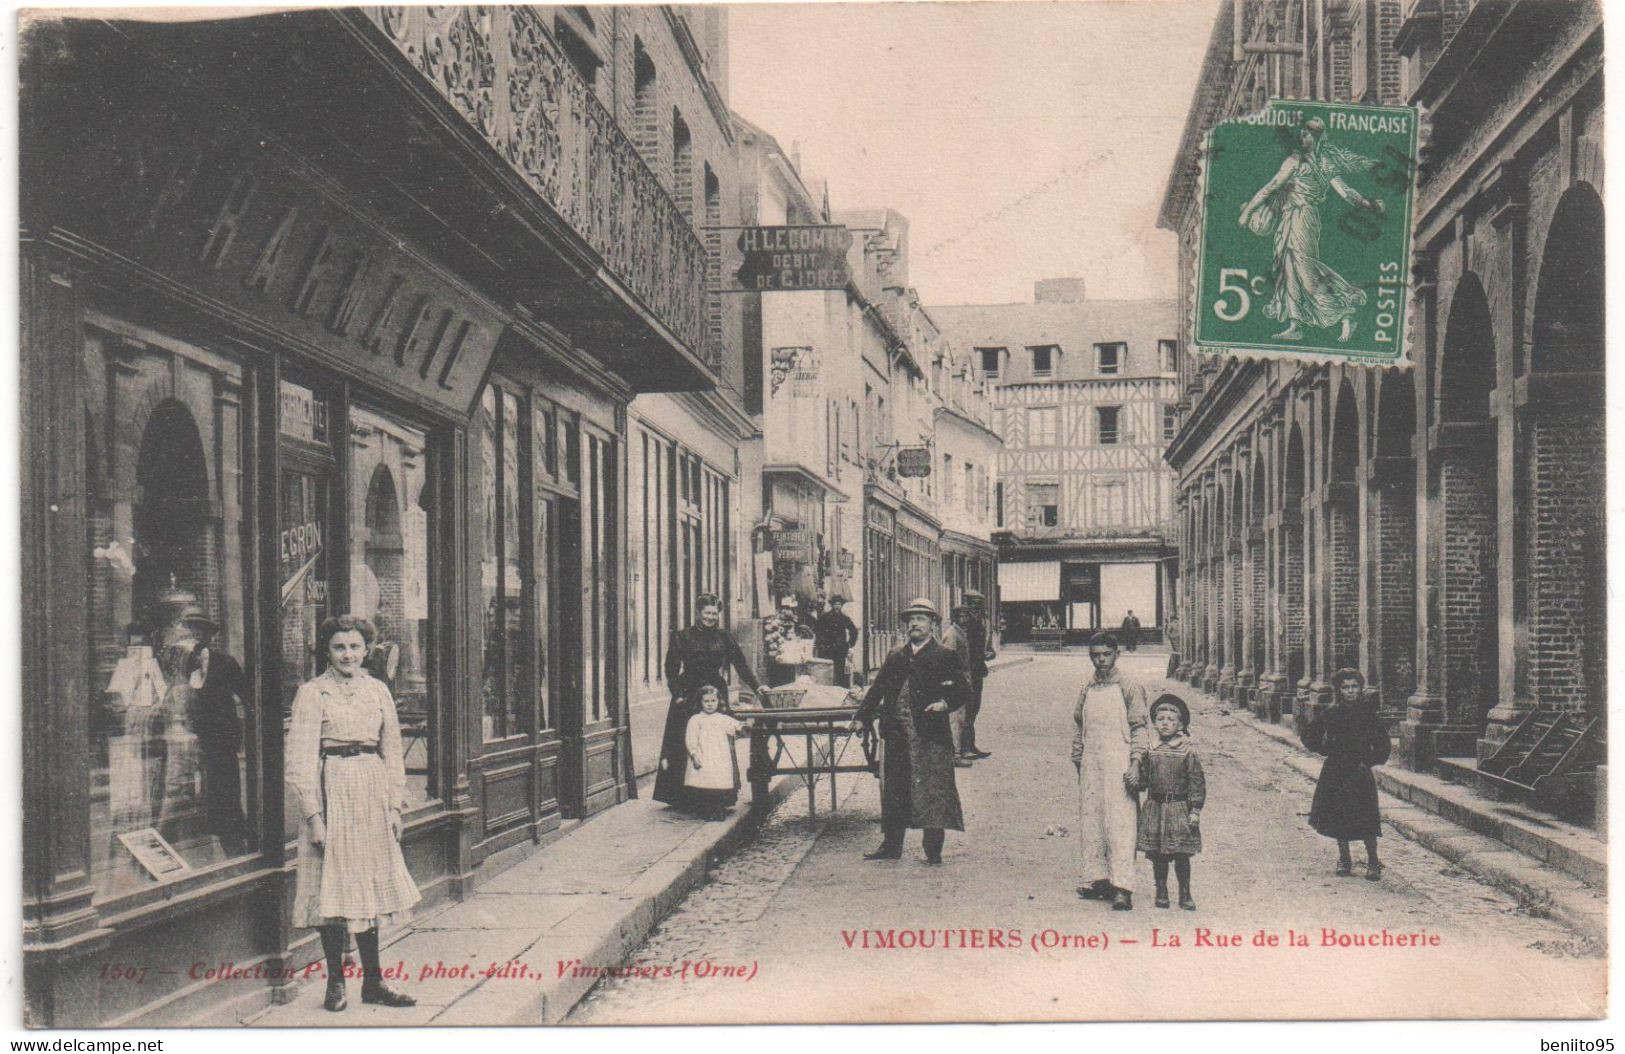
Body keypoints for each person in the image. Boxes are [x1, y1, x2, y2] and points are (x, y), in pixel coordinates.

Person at [287, 615, 420, 1012]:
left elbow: (392, 751)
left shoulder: (378, 691)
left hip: (371, 792)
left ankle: (374, 983)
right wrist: (314, 817)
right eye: (339, 647)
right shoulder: (313, 693)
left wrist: (395, 806)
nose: (348, 654)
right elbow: (299, 760)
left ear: (366, 650)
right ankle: (335, 984)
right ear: (326, 651)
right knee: (333, 891)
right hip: (332, 792)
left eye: (355, 647)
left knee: (370, 887)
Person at [1238, 116, 1385, 343]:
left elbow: (1344, 192)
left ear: (1316, 137)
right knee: (1289, 269)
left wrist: (1248, 211)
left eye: (1306, 134)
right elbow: (1273, 187)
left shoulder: (1311, 162)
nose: (1301, 138)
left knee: (1305, 270)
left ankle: (1346, 315)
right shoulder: (1301, 160)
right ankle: (1295, 324)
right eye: (1301, 134)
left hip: (1304, 216)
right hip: (1289, 217)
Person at [852, 598, 970, 864]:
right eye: (911, 620)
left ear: (933, 625)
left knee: (933, 791)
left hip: (930, 737)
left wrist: (944, 703)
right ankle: (891, 846)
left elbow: (963, 690)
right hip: (896, 735)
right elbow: (878, 690)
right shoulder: (897, 656)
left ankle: (933, 851)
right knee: (895, 790)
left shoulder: (944, 655)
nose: (915, 624)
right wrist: (862, 717)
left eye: (921, 619)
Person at [654, 594, 763, 807]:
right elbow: (671, 669)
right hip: (688, 693)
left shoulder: (724, 637)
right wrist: (677, 694)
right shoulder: (682, 636)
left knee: (717, 743)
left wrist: (757, 686)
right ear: (698, 613)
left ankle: (718, 793)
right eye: (707, 613)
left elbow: (740, 664)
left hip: (715, 694)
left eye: (714, 614)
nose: (711, 617)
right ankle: (683, 797)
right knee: (686, 740)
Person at [1072, 632, 1149, 911]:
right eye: (1095, 655)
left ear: (1117, 653)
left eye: (1106, 654)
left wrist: (1136, 763)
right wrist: (1078, 757)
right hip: (1092, 762)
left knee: (1121, 822)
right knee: (1092, 820)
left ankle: (1123, 887)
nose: (1100, 660)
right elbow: (1079, 724)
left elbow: (1140, 728)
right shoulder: (1088, 686)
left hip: (1120, 761)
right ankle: (1098, 878)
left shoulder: (1129, 686)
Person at [1303, 668, 1390, 880]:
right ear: (1339, 690)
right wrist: (1325, 750)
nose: (1350, 691)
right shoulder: (1331, 713)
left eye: (1354, 687)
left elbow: (1384, 745)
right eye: (1346, 687)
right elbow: (1309, 736)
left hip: (1359, 771)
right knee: (1338, 814)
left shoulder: (1368, 714)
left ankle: (1373, 861)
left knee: (1367, 817)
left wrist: (1368, 761)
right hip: (1336, 770)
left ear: (1360, 688)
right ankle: (1344, 859)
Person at [183, 632, 250, 855]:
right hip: (198, 733)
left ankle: (231, 826)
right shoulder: (186, 663)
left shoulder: (225, 662)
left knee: (225, 777)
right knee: (206, 778)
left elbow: (245, 693)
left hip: (222, 734)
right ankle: (213, 822)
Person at [1137, 694, 1205, 910]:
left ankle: (1185, 894)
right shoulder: (1151, 750)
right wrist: (1134, 777)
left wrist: (1195, 809)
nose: (1165, 723)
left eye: (1171, 719)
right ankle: (1161, 891)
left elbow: (1197, 782)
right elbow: (1144, 779)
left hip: (1178, 809)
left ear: (1181, 724)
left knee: (1181, 854)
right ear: (1155, 723)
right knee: (1159, 855)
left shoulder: (1187, 752)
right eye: (1161, 719)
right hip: (1156, 808)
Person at [683, 685, 751, 820]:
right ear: (700, 702)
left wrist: (743, 726)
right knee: (706, 784)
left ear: (718, 701)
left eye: (713, 701)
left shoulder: (722, 718)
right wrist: (694, 754)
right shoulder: (696, 719)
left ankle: (719, 810)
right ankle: (708, 811)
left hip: (720, 757)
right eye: (706, 701)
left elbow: (734, 726)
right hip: (704, 755)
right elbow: (691, 739)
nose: (710, 704)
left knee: (719, 784)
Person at [940, 607, 976, 768]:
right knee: (955, 718)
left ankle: (957, 751)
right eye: (962, 615)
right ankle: (954, 754)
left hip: (962, 681)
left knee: (960, 718)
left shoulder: (961, 632)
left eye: (967, 615)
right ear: (955, 617)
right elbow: (947, 659)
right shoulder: (952, 634)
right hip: (954, 683)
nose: (966, 618)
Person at [960, 591, 994, 760]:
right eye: (974, 605)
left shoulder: (979, 622)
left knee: (974, 709)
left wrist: (988, 653)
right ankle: (964, 747)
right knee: (968, 709)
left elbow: (981, 647)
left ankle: (970, 744)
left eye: (979, 605)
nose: (977, 609)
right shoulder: (965, 625)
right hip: (968, 673)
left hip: (977, 672)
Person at [813, 594, 860, 687]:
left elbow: (854, 631)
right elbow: (817, 631)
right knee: (826, 670)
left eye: (839, 604)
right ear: (832, 605)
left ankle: (839, 690)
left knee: (840, 671)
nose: (837, 606)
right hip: (827, 648)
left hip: (840, 649)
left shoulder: (845, 618)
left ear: (842, 605)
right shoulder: (825, 617)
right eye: (835, 604)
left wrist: (849, 644)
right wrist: (821, 644)